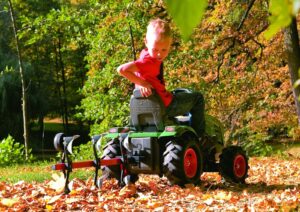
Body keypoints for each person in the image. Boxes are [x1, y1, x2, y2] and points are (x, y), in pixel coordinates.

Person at [117, 18, 205, 137]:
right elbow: (121, 70)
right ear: (146, 42)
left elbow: (141, 73)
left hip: (151, 103)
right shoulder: (148, 62)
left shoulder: (145, 54)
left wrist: (140, 83)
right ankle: (199, 136)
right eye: (156, 50)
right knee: (197, 98)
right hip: (166, 105)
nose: (159, 54)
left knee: (175, 92)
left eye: (164, 49)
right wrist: (142, 84)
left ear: (170, 44)